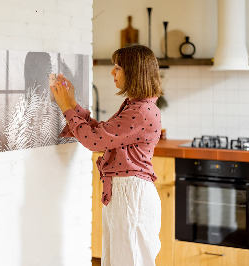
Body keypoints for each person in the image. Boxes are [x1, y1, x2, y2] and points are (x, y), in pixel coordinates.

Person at [50, 44, 163, 266]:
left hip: (131, 195)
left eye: (118, 67)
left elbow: (94, 141)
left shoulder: (140, 111)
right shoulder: (136, 106)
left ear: (134, 71)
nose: (112, 72)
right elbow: (103, 133)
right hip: (126, 193)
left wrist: (66, 108)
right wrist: (72, 104)